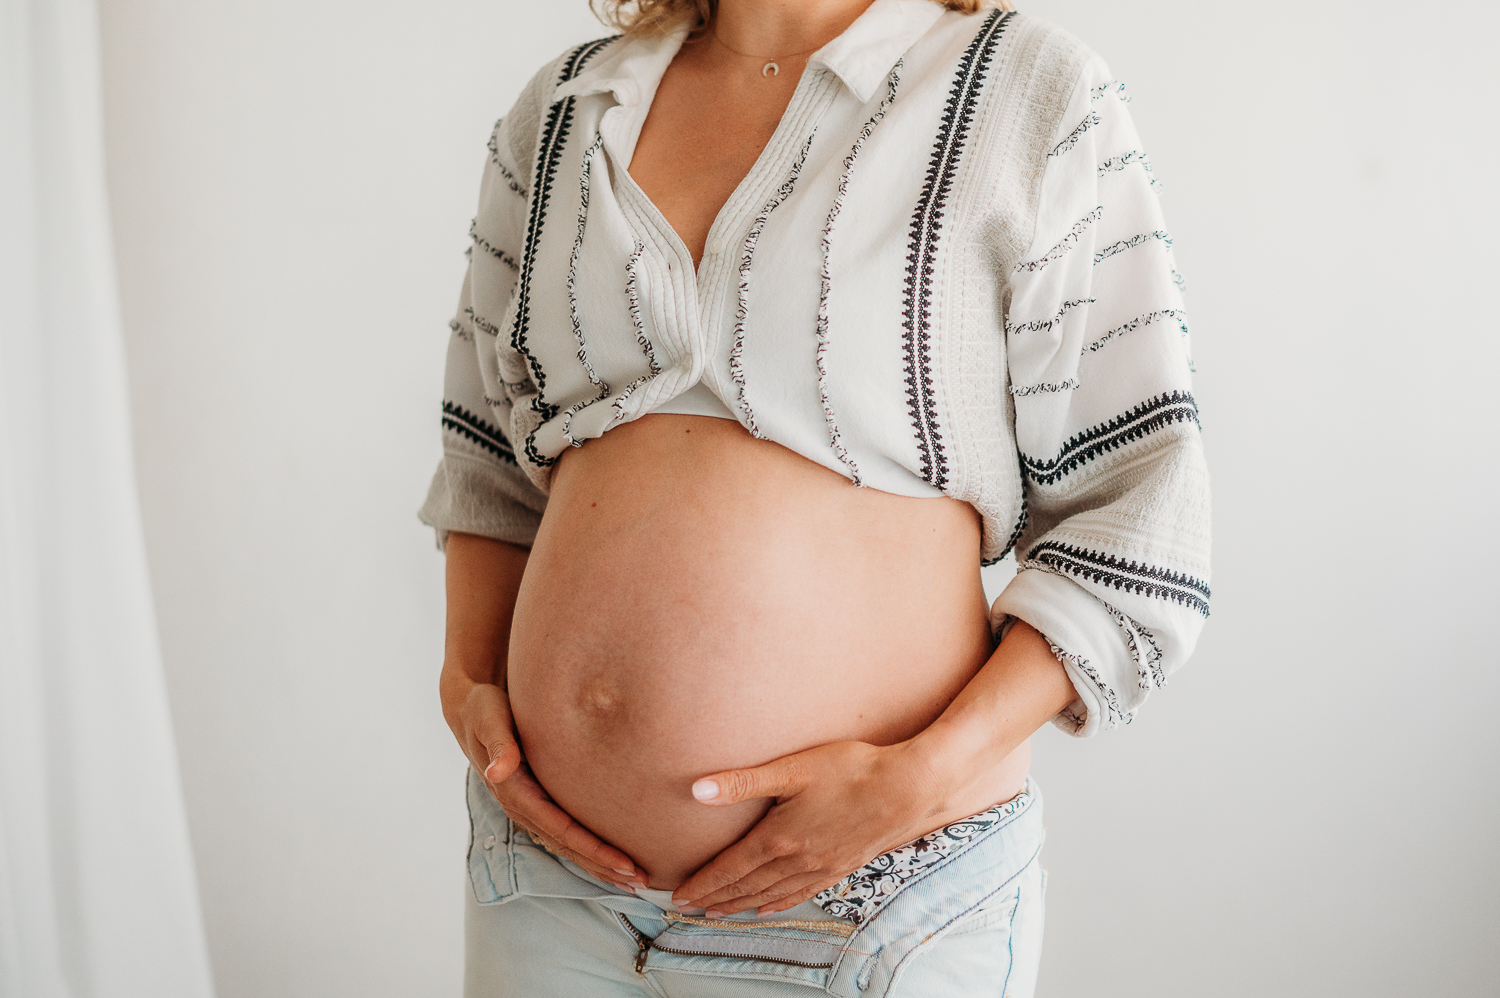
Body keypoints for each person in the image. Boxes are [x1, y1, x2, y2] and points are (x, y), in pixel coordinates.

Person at [422, 0, 1210, 993]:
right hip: (549, 893)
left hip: (876, 901)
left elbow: (1141, 499)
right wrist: (466, 679)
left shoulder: (1031, 91)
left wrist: (920, 777)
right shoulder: (565, 110)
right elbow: (487, 456)